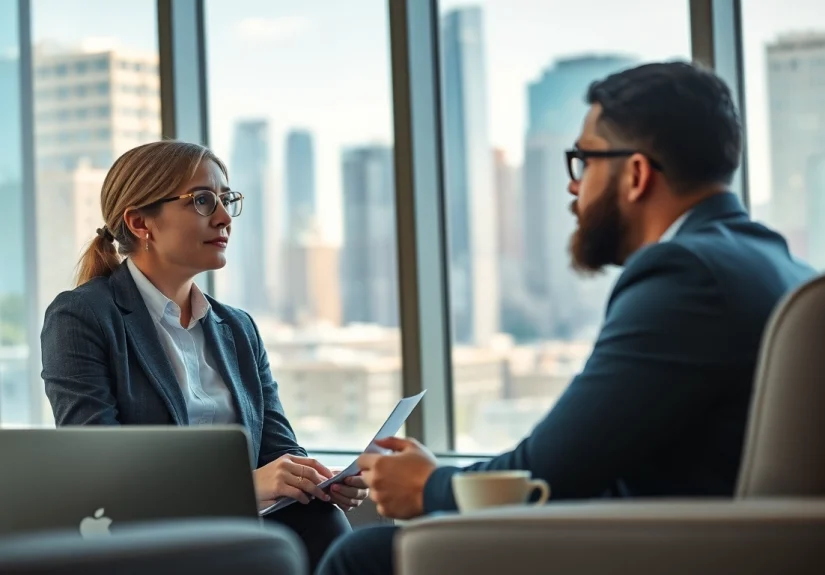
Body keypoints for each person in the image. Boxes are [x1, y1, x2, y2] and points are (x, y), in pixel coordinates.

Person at [316, 61, 816, 575]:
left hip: (662, 552)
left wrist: (428, 487)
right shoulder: (783, 267)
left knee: (364, 557)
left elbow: (553, 472)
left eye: (584, 161)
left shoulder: (685, 274)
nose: (574, 188)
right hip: (706, 540)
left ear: (637, 174)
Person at [40, 141, 367, 572]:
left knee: (324, 519)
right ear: (140, 223)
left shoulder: (238, 328)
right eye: (202, 200)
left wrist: (317, 481)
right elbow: (102, 477)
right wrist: (241, 487)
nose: (224, 217)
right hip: (144, 539)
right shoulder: (82, 316)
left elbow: (278, 448)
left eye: (226, 199)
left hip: (240, 529)